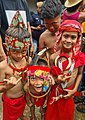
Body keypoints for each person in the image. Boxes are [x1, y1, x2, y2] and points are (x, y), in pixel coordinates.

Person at [45, 20, 85, 120]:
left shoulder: (80, 57)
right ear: (60, 36)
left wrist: (74, 90)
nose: (68, 40)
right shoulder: (53, 57)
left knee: (66, 115)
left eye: (73, 37)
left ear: (78, 39)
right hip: (55, 93)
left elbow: (79, 74)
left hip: (69, 94)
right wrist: (56, 80)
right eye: (66, 36)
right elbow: (50, 75)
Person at [0, 11, 31, 120]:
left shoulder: (27, 60)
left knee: (21, 110)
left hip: (22, 97)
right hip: (10, 101)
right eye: (15, 51)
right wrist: (7, 86)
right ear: (6, 47)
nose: (19, 55)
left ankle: (21, 115)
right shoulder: (3, 66)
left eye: (23, 51)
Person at [39, 0, 62, 65]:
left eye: (54, 23)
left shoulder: (68, 34)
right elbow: (41, 58)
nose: (51, 27)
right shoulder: (43, 37)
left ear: (61, 17)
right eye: (47, 24)